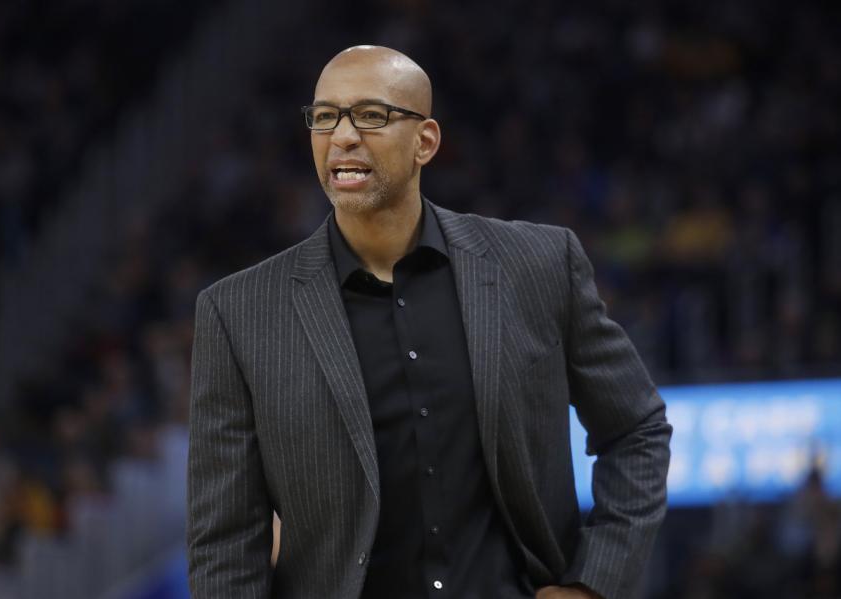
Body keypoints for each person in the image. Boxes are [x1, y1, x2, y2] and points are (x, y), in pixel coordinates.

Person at [187, 45, 672, 599]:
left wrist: (593, 583)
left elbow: (637, 430)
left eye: (370, 115)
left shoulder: (539, 265)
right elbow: (225, 545)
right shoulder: (239, 312)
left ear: (425, 141)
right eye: (324, 117)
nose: (342, 136)